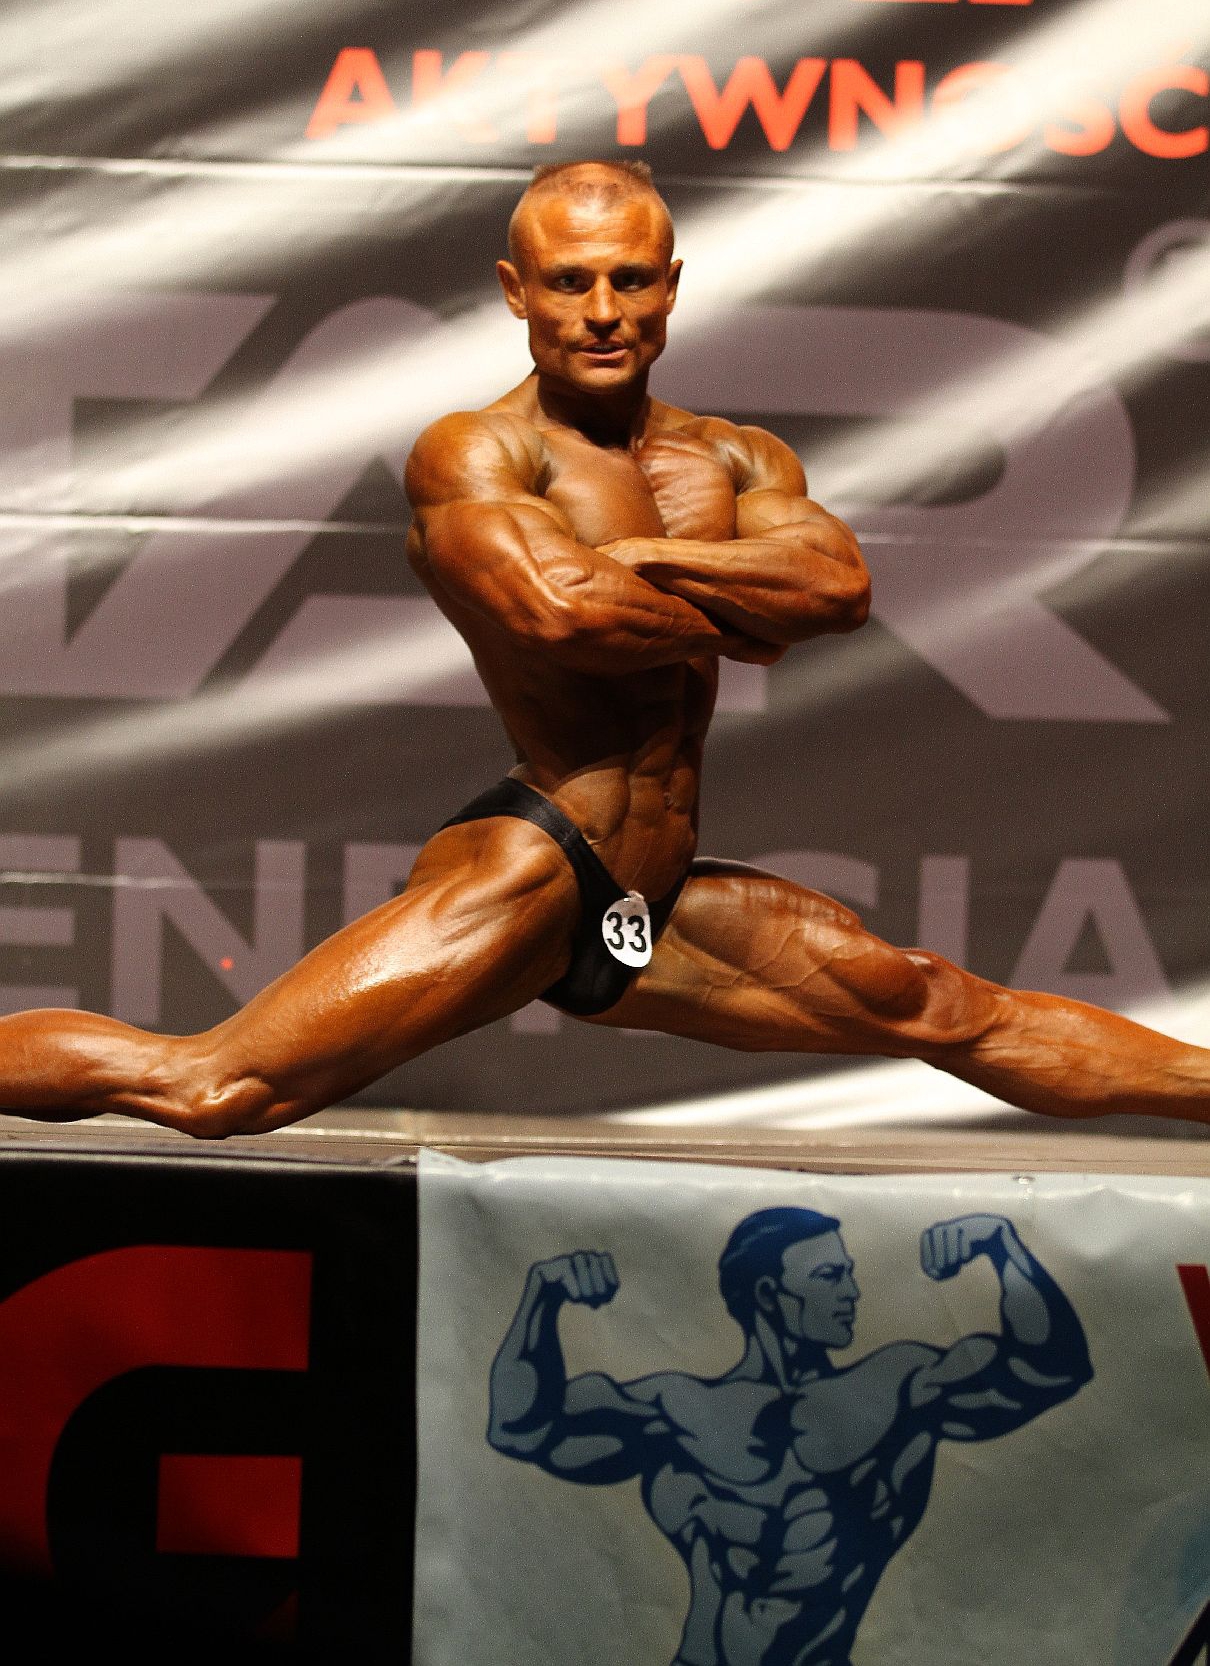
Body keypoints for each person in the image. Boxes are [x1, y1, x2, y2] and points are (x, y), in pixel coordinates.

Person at [1, 158, 1206, 1135]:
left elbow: (836, 587)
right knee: (214, 1086)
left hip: (654, 893)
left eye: (630, 280)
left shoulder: (736, 455)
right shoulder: (478, 452)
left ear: (671, 286)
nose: (601, 312)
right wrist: (743, 614)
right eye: (569, 282)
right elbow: (565, 617)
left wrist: (642, 558)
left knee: (941, 1006)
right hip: (539, 861)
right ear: (515, 290)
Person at [487, 1206, 1093, 1665]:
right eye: (830, 1277)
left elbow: (1050, 1368)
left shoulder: (898, 1390)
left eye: (848, 1274)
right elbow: (520, 1427)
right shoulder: (676, 1410)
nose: (852, 1292)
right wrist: (542, 1296)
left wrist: (1004, 1249)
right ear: (769, 1296)